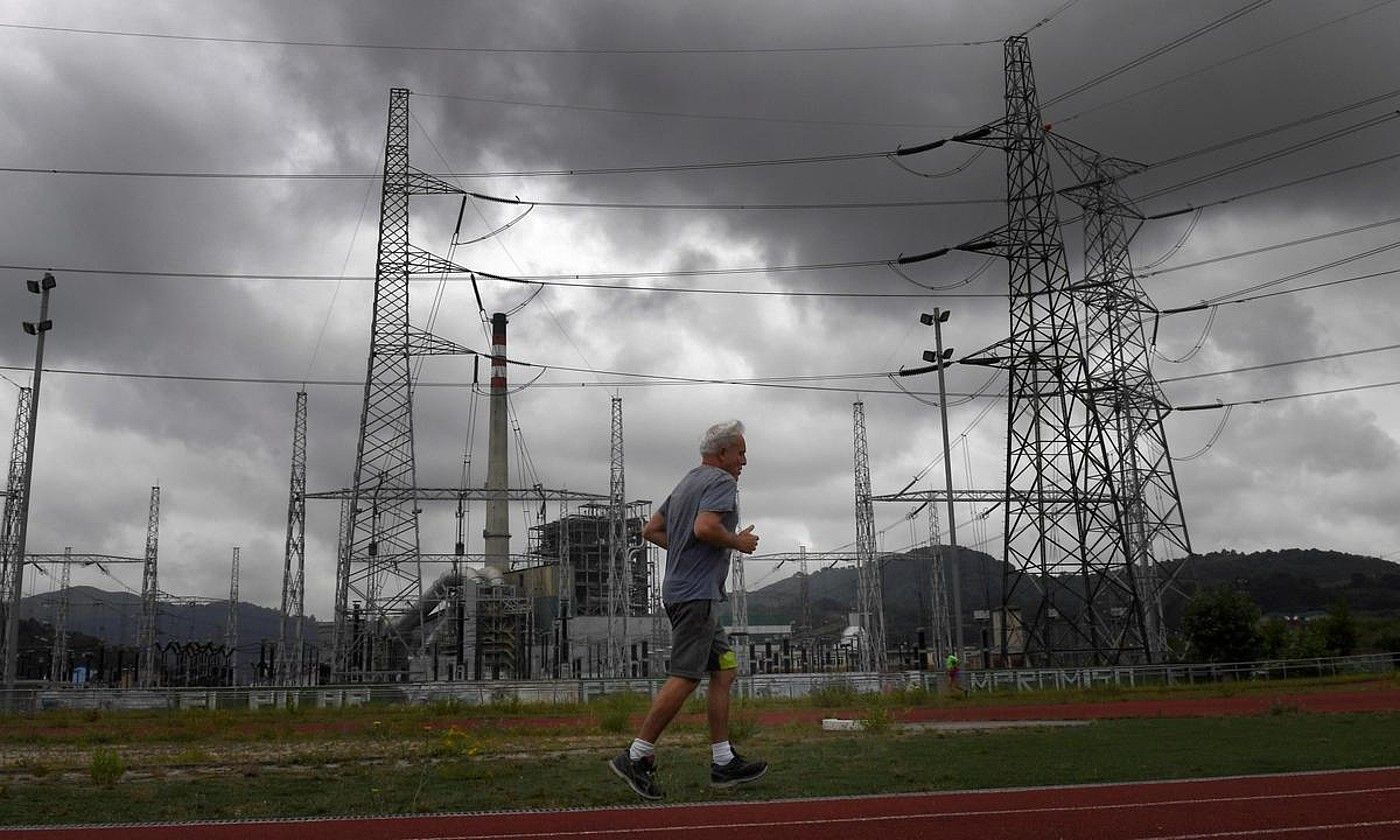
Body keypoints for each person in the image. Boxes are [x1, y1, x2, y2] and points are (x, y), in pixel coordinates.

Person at [609, 420, 768, 800]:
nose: (745, 460)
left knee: (724, 669)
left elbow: (651, 530)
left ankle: (723, 760)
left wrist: (684, 552)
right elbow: (705, 528)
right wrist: (737, 542)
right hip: (695, 595)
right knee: (686, 675)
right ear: (723, 453)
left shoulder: (686, 482)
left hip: (687, 591)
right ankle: (636, 755)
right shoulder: (721, 482)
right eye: (741, 452)